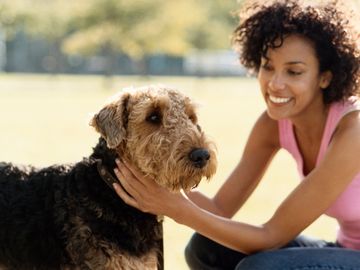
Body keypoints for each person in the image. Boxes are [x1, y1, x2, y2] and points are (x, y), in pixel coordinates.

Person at [112, 0, 360, 269]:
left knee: (259, 268)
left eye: (294, 71)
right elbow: (219, 211)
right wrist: (147, 177)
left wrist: (175, 207)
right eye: (268, 66)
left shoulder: (353, 130)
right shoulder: (273, 124)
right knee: (205, 248)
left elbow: (270, 236)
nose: (275, 83)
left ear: (325, 77)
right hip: (346, 249)